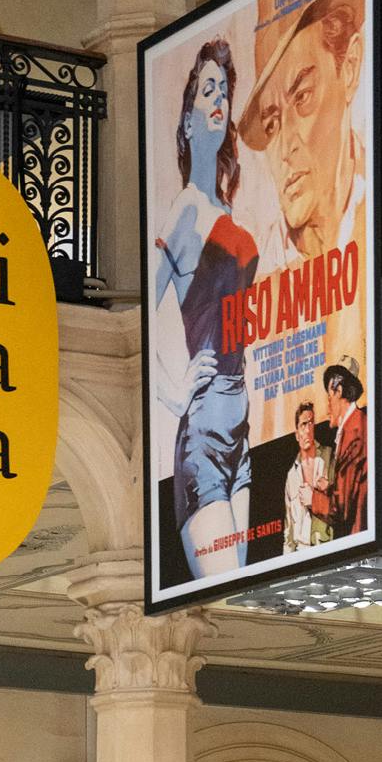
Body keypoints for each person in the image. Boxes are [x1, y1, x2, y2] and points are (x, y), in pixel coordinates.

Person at [148, 38, 256, 582]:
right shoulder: (187, 208)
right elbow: (144, 302)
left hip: (241, 423)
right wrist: (172, 390)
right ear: (188, 122)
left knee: (237, 596)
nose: (218, 100)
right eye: (206, 91)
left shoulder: (226, 208)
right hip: (205, 433)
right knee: (224, 589)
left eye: (224, 92)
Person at [235, 0, 367, 265]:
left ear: (349, 67)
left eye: (302, 96)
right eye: (271, 125)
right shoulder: (258, 274)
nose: (284, 149)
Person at [316, 361, 367, 541]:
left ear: (338, 391)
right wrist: (329, 489)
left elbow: (341, 510)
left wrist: (312, 499)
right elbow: (350, 490)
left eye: (329, 397)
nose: (327, 406)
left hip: (357, 542)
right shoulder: (355, 427)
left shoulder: (354, 433)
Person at [281, 401, 329, 553]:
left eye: (311, 423)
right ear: (296, 434)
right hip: (301, 553)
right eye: (303, 425)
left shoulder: (328, 457)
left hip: (328, 548)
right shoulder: (291, 476)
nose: (307, 430)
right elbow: (288, 529)